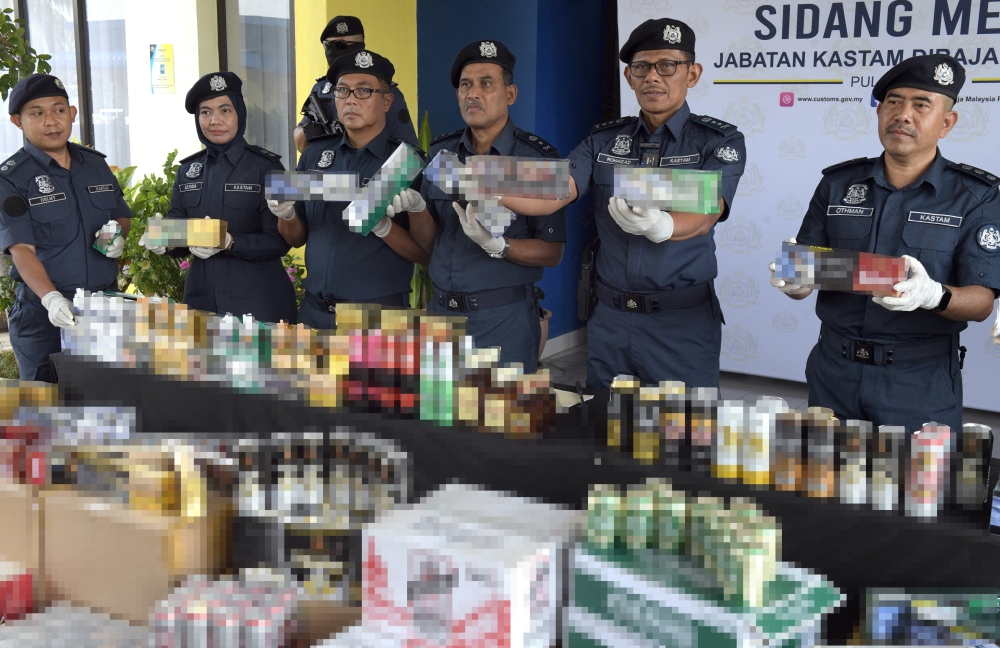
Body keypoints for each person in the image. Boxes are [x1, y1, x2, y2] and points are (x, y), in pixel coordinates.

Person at [502, 18, 746, 388]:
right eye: (641, 67)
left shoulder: (715, 141)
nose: (652, 77)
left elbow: (706, 210)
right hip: (611, 321)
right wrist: (480, 180)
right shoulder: (604, 141)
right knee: (609, 433)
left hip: (680, 324)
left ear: (692, 74)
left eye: (667, 65)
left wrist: (664, 226)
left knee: (681, 438)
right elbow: (555, 187)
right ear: (629, 77)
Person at [769, 54, 1000, 433]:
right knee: (825, 486)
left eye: (921, 104)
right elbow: (807, 268)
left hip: (917, 382)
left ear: (947, 123)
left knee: (915, 490)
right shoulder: (838, 184)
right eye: (893, 101)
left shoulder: (976, 196)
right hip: (833, 372)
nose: (903, 114)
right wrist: (796, 282)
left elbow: (981, 302)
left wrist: (933, 295)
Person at [405, 40, 566, 373]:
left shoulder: (536, 160)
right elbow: (429, 243)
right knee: (440, 420)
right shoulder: (440, 153)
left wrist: (500, 246)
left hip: (502, 320)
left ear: (510, 94)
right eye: (465, 85)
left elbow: (552, 253)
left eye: (486, 83)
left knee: (501, 421)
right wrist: (418, 208)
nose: (472, 93)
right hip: (441, 317)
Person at [269, 49, 429, 329]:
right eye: (343, 91)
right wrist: (286, 214)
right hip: (314, 313)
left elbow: (425, 254)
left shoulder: (404, 163)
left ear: (387, 101)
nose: (351, 100)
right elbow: (296, 239)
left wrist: (383, 227)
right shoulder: (315, 155)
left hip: (377, 318)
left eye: (364, 91)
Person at [0, 74, 131, 381]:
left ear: (72, 114)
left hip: (103, 309)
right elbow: (21, 249)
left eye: (58, 110)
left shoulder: (95, 165)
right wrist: (51, 298)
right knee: (48, 415)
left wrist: (115, 233)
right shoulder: (11, 179)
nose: (51, 121)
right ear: (18, 121)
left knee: (106, 410)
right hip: (44, 316)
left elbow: (121, 213)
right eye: (37, 113)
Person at [141, 71, 297, 324]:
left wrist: (231, 241)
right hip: (201, 302)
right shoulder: (188, 170)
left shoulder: (270, 167)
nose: (214, 120)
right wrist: (165, 240)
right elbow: (179, 230)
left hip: (258, 303)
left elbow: (280, 241)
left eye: (225, 111)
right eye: (205, 112)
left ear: (240, 113)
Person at [293, 15, 417, 153]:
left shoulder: (383, 91)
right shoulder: (321, 88)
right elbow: (299, 140)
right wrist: (312, 134)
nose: (350, 100)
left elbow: (409, 153)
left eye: (363, 91)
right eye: (328, 45)